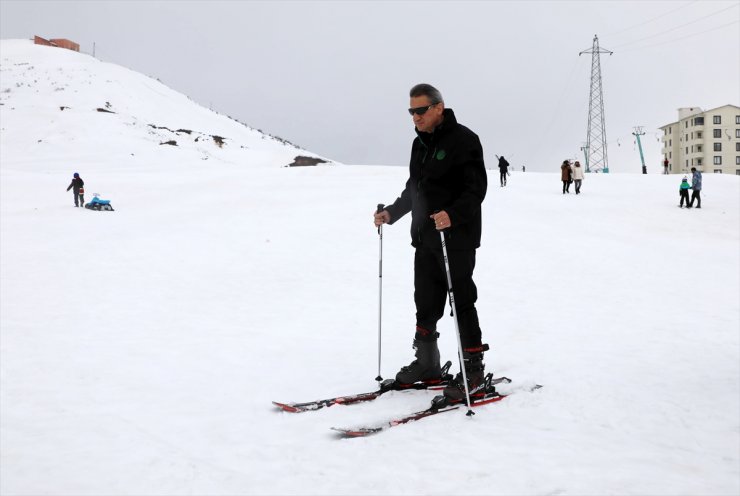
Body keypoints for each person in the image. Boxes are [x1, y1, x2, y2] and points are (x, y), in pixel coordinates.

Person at [373, 83, 489, 402]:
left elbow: (476, 189)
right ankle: (428, 364)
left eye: (421, 110)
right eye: (411, 111)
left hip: (456, 239)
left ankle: (474, 371)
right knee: (424, 301)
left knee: (461, 301)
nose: (415, 117)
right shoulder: (418, 144)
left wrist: (453, 214)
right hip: (424, 238)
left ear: (439, 107)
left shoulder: (465, 140)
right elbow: (416, 187)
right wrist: (392, 213)